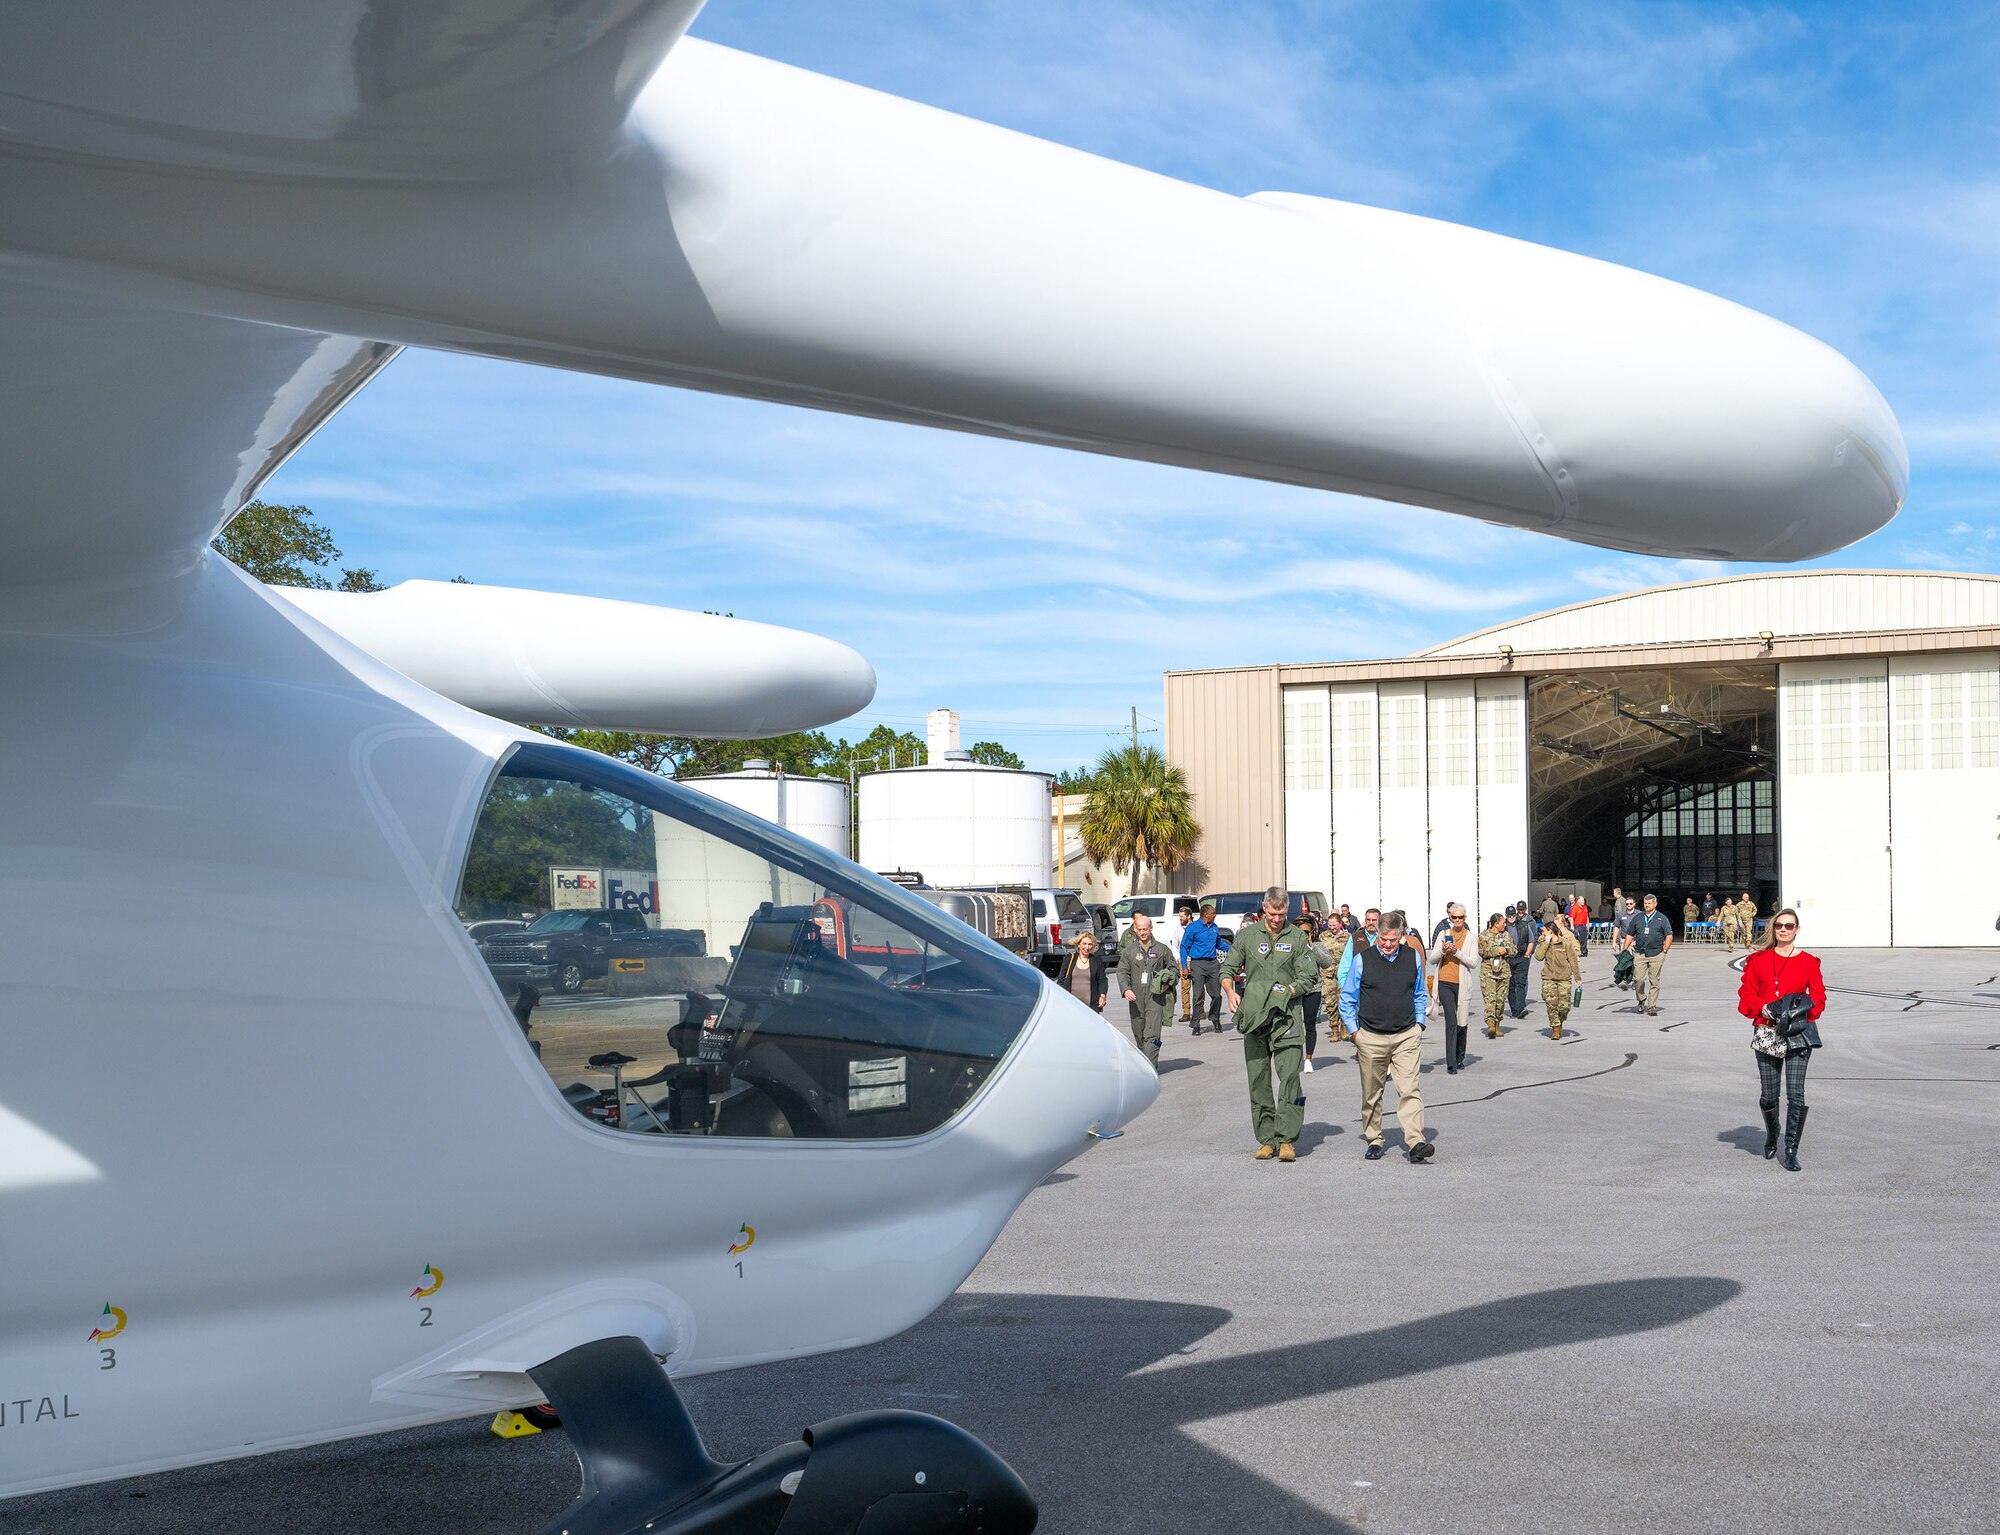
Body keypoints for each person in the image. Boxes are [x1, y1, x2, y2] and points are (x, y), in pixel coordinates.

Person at [1219, 887, 1315, 1161]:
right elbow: (1227, 969)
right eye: (1272, 914)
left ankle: (1286, 1139)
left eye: (1281, 914)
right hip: (1255, 1019)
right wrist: (1230, 991)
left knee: (1289, 1080)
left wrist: (1286, 992)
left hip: (1287, 1020)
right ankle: (1266, 1139)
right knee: (1258, 1081)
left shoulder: (1297, 938)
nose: (1276, 919)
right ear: (1264, 909)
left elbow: (1308, 978)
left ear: (1287, 911)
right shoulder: (1248, 936)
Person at [1338, 909, 1432, 1162]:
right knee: (1372, 1093)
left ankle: (1415, 1142)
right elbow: (1347, 998)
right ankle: (1374, 1139)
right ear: (1376, 934)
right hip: (1371, 1037)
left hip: (1406, 1036)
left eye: (1393, 939)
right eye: (1383, 939)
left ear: (1402, 935)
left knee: (1410, 1089)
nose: (1388, 945)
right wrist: (1355, 1033)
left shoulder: (1412, 957)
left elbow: (1420, 993)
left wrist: (1419, 1024)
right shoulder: (1362, 959)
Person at [1737, 907, 1825, 1172]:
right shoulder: (1758, 961)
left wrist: (1801, 1009)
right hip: (1767, 1031)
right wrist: (1763, 1008)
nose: (1784, 930)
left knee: (1796, 1095)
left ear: (1797, 930)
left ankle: (1791, 1148)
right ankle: (1772, 1133)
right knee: (1768, 1096)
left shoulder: (1809, 962)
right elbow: (1746, 996)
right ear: (1774, 929)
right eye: (1779, 926)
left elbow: (1818, 999)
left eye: (1789, 926)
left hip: (1799, 1033)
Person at [1116, 912, 1178, 1067]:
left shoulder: (1163, 950)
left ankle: (1150, 1067)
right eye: (1139, 929)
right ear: (1135, 930)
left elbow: (1174, 970)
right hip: (1135, 998)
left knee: (1152, 1034)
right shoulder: (1129, 951)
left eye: (1145, 929)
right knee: (1139, 1034)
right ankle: (1144, 1062)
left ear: (1151, 928)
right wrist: (1126, 989)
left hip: (1155, 998)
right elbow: (1122, 971)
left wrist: (1167, 984)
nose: (1143, 932)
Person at [1429, 902, 1472, 1072]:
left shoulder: (1471, 937)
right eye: (1454, 917)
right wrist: (1442, 951)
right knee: (1451, 1021)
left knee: (1462, 1022)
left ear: (1465, 918)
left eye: (1460, 917)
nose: (1457, 920)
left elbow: (1473, 962)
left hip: (1462, 984)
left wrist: (1457, 952)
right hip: (1445, 982)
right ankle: (1451, 1063)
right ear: (1450, 918)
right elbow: (1432, 959)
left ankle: (1460, 1056)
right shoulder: (1443, 933)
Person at [1533, 915, 1582, 1038]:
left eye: (1544, 931)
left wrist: (1578, 977)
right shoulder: (1544, 942)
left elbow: (1573, 961)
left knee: (1564, 1006)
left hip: (1563, 977)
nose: (1542, 933)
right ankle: (1555, 1028)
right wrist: (1546, 942)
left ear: (1550, 931)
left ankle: (1560, 1022)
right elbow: (1538, 957)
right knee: (1551, 1004)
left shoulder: (1565, 942)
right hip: (1548, 977)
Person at [1180, 898, 1223, 1035]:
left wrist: (1234, 949)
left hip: (1213, 963)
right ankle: (1196, 1024)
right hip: (1197, 964)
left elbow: (1219, 944)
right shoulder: (1193, 928)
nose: (1215, 915)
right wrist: (1184, 967)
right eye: (1213, 913)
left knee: (1216, 995)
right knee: (1197, 995)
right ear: (1205, 914)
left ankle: (1215, 1018)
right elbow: (1184, 947)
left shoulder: (1215, 927)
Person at [1627, 893, 1674, 1016]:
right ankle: (1641, 1000)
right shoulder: (1637, 918)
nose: (1647, 905)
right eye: (1645, 903)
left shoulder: (1662, 918)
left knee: (1654, 980)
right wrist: (1624, 950)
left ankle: (1652, 1006)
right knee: (1638, 979)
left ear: (1655, 904)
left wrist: (1665, 950)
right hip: (1640, 953)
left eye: (1649, 903)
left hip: (1656, 954)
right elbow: (1630, 934)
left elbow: (1669, 935)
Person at [1478, 912, 1514, 1039]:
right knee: (1490, 999)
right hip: (1488, 972)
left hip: (1503, 972)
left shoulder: (1506, 935)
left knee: (1500, 1001)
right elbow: (1482, 951)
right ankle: (1490, 1025)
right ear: (1495, 924)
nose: (1505, 924)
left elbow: (1514, 950)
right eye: (1502, 922)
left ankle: (1497, 1025)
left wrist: (1507, 951)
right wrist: (1496, 950)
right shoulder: (1484, 936)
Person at [1506, 902, 1535, 1018]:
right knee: (1510, 985)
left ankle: (1521, 1008)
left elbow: (1531, 940)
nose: (1512, 918)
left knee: (1521, 983)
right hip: (1508, 959)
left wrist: (1527, 954)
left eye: (1513, 915)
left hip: (1521, 957)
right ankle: (1514, 1010)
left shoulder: (1524, 925)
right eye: (1509, 916)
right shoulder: (1502, 927)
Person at [1066, 930, 1107, 1012]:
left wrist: (1102, 996)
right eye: (1084, 944)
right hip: (1071, 1004)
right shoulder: (1069, 959)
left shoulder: (1096, 961)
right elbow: (1062, 979)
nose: (1087, 947)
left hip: (1091, 1005)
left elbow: (1102, 980)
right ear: (1078, 944)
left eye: (1090, 944)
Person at [1173, 902, 1198, 1023]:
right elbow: (1175, 946)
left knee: (1198, 987)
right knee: (1185, 987)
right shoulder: (1178, 930)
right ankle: (1186, 1012)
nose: (1180, 919)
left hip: (1197, 961)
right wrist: (1178, 959)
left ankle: (1200, 1010)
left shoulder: (1197, 927)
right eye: (1179, 916)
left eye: (1182, 916)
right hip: (1184, 962)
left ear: (1189, 916)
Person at [1568, 892, 1590, 956]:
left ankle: (1584, 951)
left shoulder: (1585, 907)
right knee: (1579, 939)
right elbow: (1571, 917)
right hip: (1577, 926)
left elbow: (1587, 916)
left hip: (1584, 926)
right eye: (1582, 900)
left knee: (1584, 939)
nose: (1583, 902)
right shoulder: (1574, 908)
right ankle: (1578, 951)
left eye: (1583, 900)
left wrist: (1588, 924)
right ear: (1578, 901)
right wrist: (1572, 926)